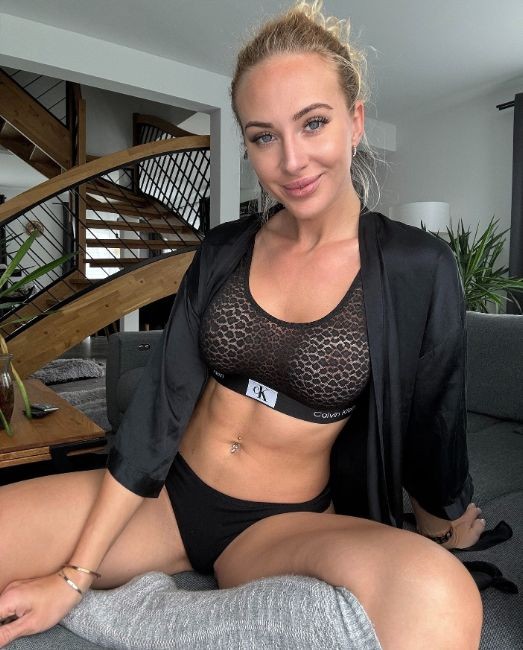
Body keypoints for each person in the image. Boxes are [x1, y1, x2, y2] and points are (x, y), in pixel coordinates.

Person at [0, 1, 485, 647]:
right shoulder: (226, 247)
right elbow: (160, 405)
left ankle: (134, 615)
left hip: (277, 525)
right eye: (263, 136)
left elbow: (433, 415)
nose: (292, 160)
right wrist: (73, 574)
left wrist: (444, 519)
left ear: (355, 122)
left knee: (440, 598)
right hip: (164, 498)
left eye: (313, 123)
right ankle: (115, 602)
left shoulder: (416, 266)